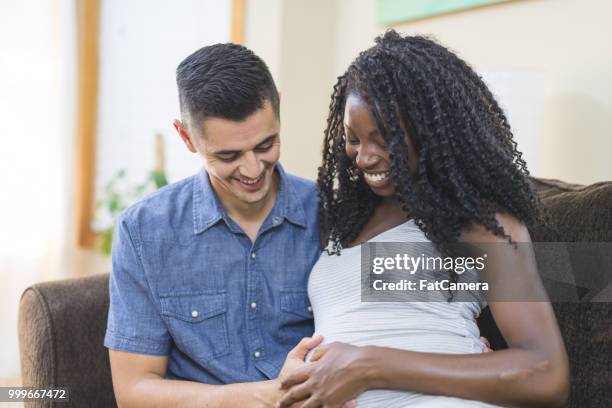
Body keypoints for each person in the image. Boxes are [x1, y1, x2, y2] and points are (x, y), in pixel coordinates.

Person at [278, 30, 570, 408]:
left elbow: (546, 373)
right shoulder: (339, 220)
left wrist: (371, 365)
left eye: (384, 140)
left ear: (433, 134)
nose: (364, 157)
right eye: (353, 138)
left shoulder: (478, 223)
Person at [104, 43, 324, 407]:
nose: (253, 170)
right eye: (228, 156)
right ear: (187, 137)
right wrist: (266, 397)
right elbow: (133, 390)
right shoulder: (143, 231)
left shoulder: (332, 214)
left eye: (266, 145)